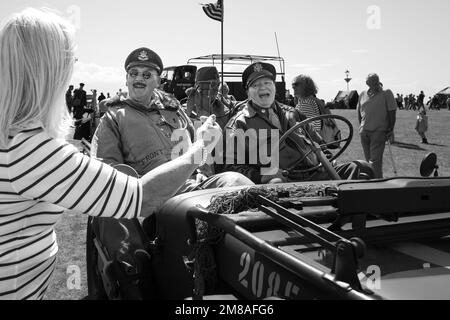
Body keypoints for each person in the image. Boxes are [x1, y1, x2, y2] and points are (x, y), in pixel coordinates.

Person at [0, 8, 223, 300]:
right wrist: (201, 149)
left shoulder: (16, 136)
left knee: (232, 182)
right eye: (70, 61)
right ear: (48, 70)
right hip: (15, 289)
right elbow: (137, 196)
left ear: (158, 80)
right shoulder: (32, 148)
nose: (73, 70)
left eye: (147, 74)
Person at [91, 48, 253, 192]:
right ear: (127, 79)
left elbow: (198, 147)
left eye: (147, 75)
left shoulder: (174, 112)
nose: (139, 79)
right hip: (151, 194)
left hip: (191, 186)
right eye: (134, 74)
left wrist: (202, 172)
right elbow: (107, 170)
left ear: (158, 81)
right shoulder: (113, 118)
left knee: (236, 181)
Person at [222, 62, 373, 184]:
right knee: (276, 184)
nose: (263, 87)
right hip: (282, 181)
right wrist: (262, 176)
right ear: (248, 92)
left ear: (274, 87)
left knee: (362, 168)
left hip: (315, 173)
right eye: (256, 85)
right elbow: (229, 167)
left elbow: (319, 146)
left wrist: (327, 162)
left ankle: (364, 219)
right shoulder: (239, 124)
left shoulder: (294, 114)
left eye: (267, 82)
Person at [357, 73, 397, 179]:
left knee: (375, 162)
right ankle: (372, 182)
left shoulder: (386, 93)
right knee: (367, 163)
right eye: (370, 82)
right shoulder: (362, 94)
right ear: (367, 83)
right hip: (364, 132)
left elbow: (392, 112)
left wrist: (390, 129)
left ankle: (378, 184)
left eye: (375, 81)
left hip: (379, 131)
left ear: (378, 81)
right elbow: (359, 112)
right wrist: (361, 127)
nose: (373, 84)